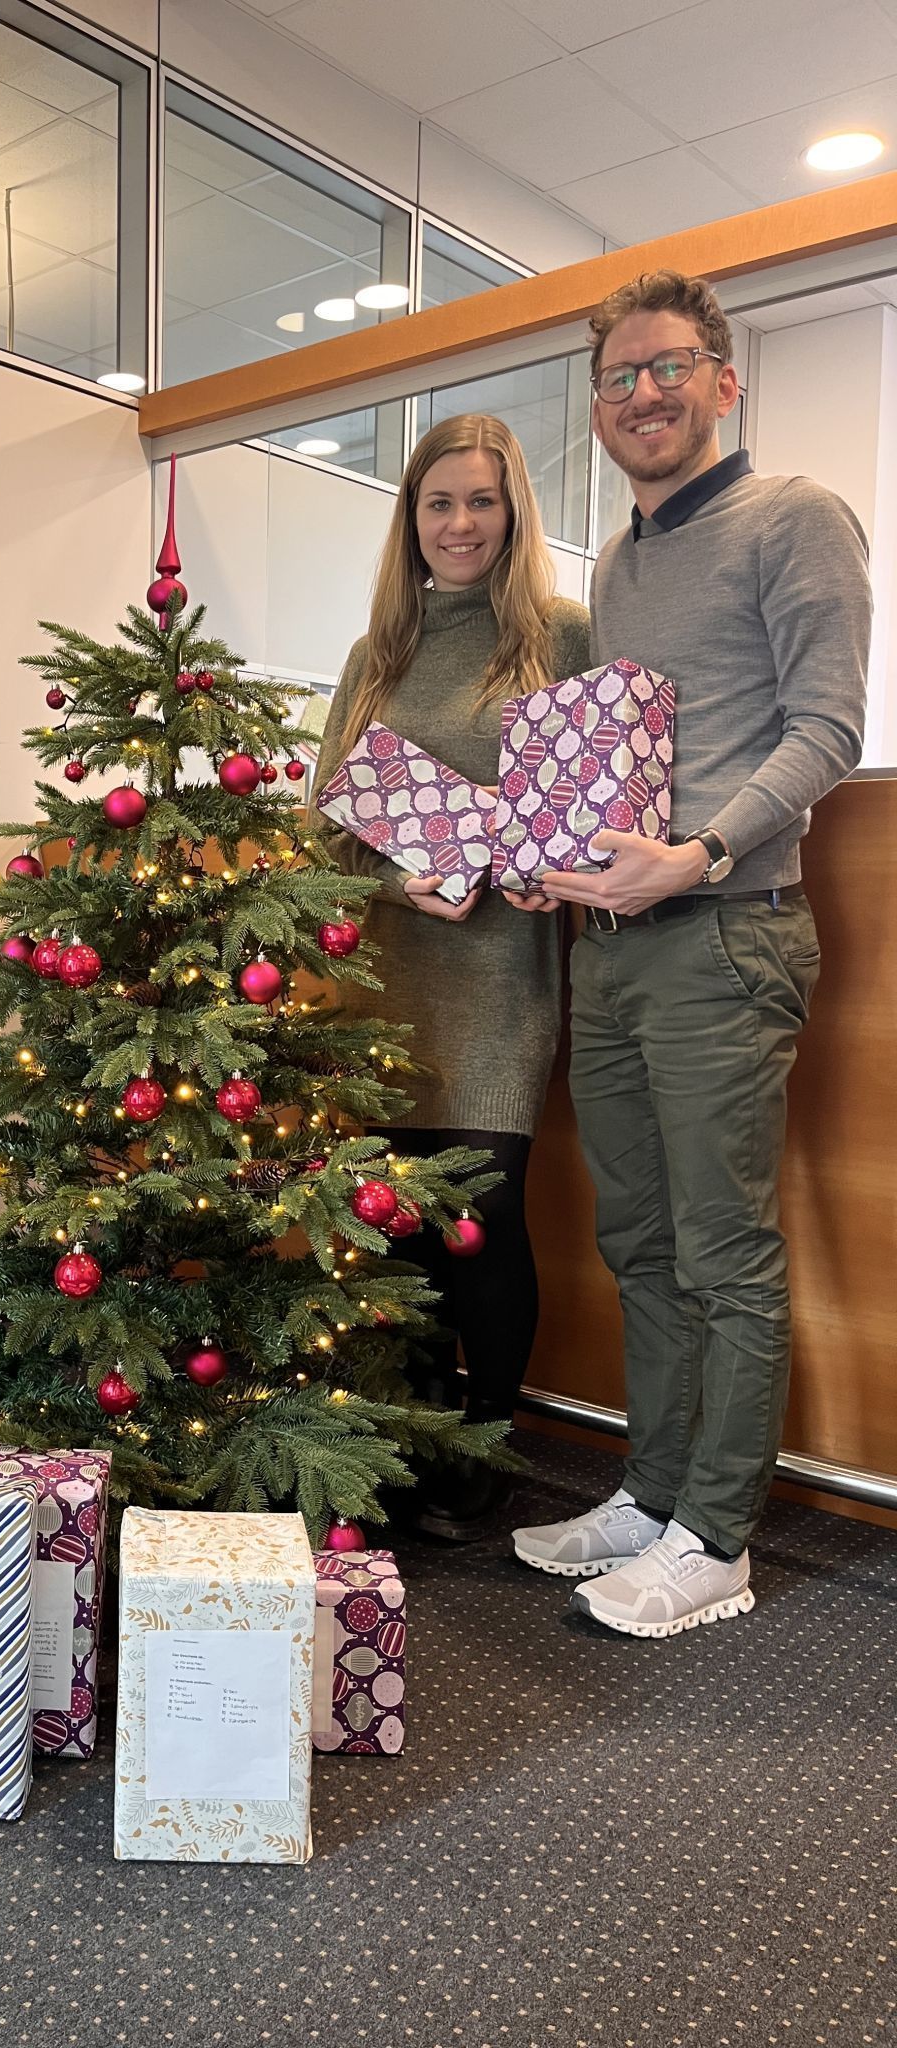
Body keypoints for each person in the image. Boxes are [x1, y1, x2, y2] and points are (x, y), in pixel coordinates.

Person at [512, 270, 871, 1636]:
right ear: (598, 409)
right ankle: (653, 1494)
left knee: (724, 1250)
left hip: (727, 932)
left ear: (725, 381)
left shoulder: (797, 521)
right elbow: (618, 751)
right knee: (641, 1240)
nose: (643, 394)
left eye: (669, 368)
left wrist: (700, 854)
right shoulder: (616, 562)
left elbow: (826, 730)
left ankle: (717, 1538)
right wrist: (572, 860)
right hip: (613, 944)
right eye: (619, 378)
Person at [310, 413, 590, 1541]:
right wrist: (396, 888)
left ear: (512, 511)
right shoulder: (380, 651)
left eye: (481, 501)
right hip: (390, 979)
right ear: (411, 519)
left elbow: (601, 800)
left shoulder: (560, 636)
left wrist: (551, 869)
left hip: (504, 979)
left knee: (482, 1209)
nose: (461, 523)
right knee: (402, 1217)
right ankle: (415, 1433)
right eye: (439, 503)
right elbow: (326, 832)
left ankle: (486, 1437)